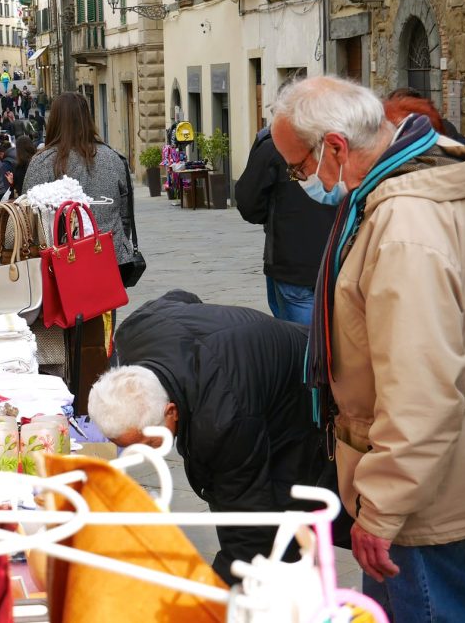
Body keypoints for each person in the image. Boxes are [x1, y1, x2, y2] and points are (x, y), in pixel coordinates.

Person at [272, 75, 465, 620]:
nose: (300, 181)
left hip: (418, 488)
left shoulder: (404, 226)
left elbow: (423, 387)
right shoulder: (427, 182)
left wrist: (385, 507)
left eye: (298, 168)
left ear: (335, 148)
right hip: (434, 467)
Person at [88, 290, 333, 584]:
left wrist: (213, 594)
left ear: (171, 411)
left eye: (148, 443)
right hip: (254, 367)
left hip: (303, 392)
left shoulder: (221, 421)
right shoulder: (134, 333)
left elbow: (249, 523)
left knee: (280, 513)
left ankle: (291, 591)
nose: (142, 456)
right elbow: (182, 297)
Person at [235, 127, 336, 324]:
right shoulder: (352, 138)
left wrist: (273, 216)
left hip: (291, 257)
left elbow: (249, 202)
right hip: (341, 255)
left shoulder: (274, 144)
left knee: (298, 337)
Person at [22, 92, 135, 267]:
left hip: (60, 266)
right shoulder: (114, 159)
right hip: (111, 260)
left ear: (55, 121)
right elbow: (125, 216)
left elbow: (27, 219)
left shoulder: (41, 162)